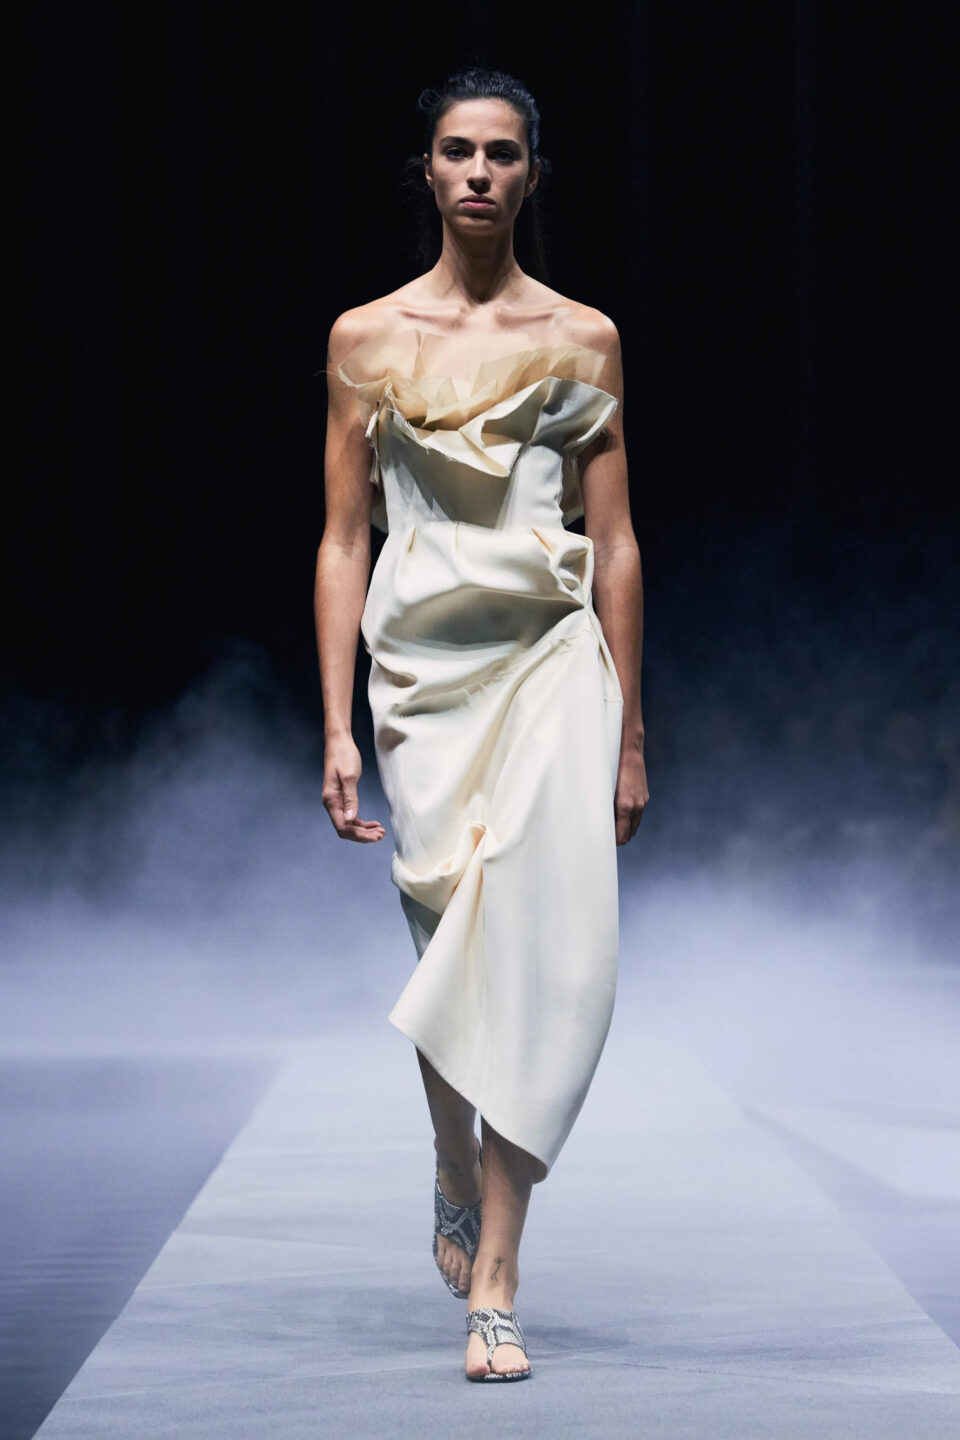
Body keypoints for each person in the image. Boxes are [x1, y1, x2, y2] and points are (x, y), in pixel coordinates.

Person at [315, 66, 648, 1382]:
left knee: (540, 956)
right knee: (447, 934)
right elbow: (344, 537)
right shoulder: (364, 338)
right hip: (419, 673)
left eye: (502, 154)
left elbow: (615, 543)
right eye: (458, 151)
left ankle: (498, 1285)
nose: (479, 173)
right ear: (428, 169)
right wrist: (335, 725)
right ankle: (451, 1153)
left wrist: (630, 733)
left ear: (530, 175)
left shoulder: (585, 336)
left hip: (552, 662)